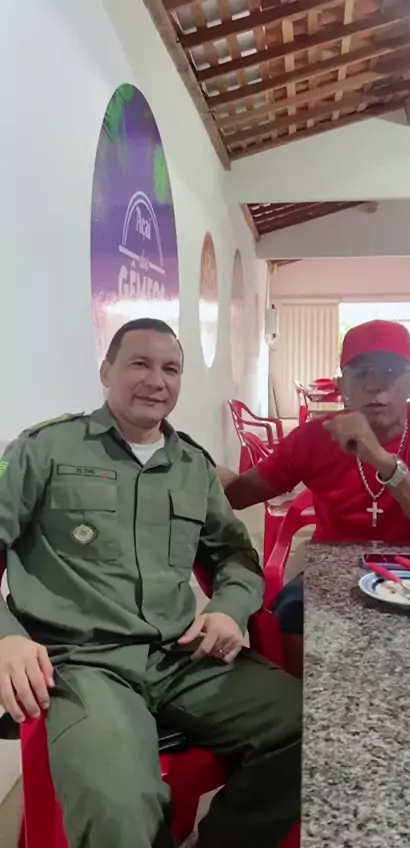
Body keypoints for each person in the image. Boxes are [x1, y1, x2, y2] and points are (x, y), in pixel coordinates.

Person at [0, 318, 301, 848]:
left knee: (313, 728)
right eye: (139, 363)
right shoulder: (43, 449)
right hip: (84, 663)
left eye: (171, 369)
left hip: (180, 656)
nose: (156, 381)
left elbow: (234, 554)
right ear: (106, 371)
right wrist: (6, 636)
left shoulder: (192, 466)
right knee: (121, 811)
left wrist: (229, 608)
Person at [219, 320, 410, 677]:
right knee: (291, 613)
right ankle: (302, 702)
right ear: (342, 386)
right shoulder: (313, 437)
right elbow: (240, 494)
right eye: (361, 372)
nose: (375, 384)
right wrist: (196, 465)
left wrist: (381, 460)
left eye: (391, 371)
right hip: (335, 568)